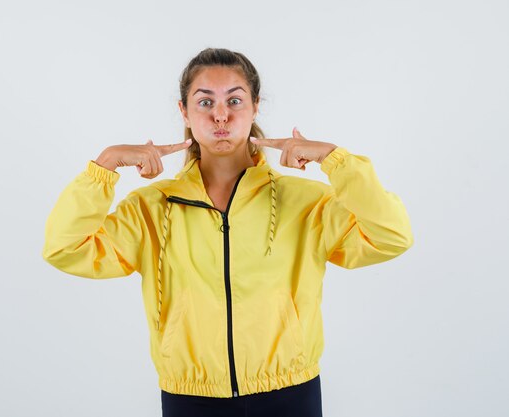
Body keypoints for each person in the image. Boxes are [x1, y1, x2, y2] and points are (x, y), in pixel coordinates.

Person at [42, 47, 414, 417]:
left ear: (254, 107)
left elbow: (391, 236)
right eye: (205, 103)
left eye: (234, 100)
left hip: (290, 394)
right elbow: (65, 248)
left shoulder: (304, 203)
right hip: (191, 398)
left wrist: (335, 159)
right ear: (184, 112)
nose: (221, 114)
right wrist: (104, 166)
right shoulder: (152, 209)